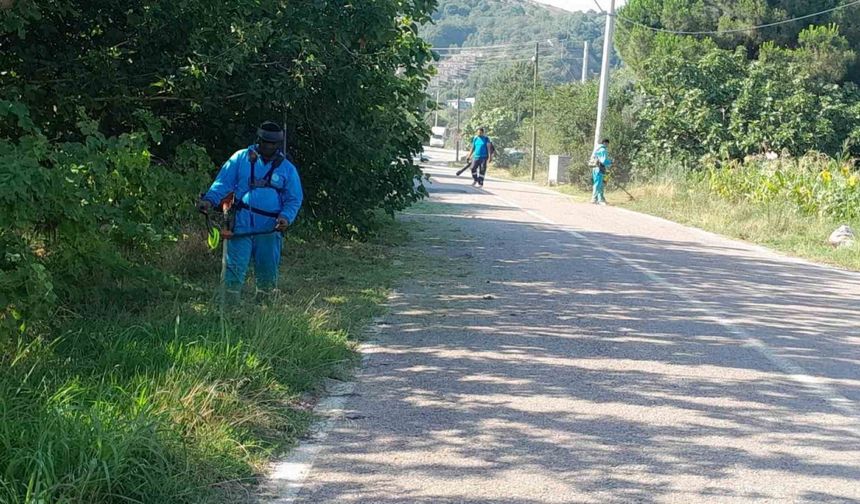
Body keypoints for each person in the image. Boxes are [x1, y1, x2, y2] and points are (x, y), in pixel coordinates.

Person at [197, 121, 303, 296]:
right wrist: (209, 200)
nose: (268, 147)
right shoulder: (240, 158)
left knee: (268, 274)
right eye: (265, 142)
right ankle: (229, 311)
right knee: (233, 271)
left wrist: (286, 217)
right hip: (241, 226)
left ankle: (266, 312)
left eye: (273, 144)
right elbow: (223, 183)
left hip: (270, 229)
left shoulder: (287, 169)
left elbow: (294, 198)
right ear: (258, 140)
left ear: (278, 144)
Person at [591, 138, 612, 205]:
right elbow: (603, 161)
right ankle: (595, 199)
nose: (607, 145)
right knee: (599, 184)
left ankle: (599, 199)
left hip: (594, 168)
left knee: (597, 183)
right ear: (605, 143)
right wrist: (611, 162)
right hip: (599, 169)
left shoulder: (596, 149)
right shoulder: (603, 150)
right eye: (607, 144)